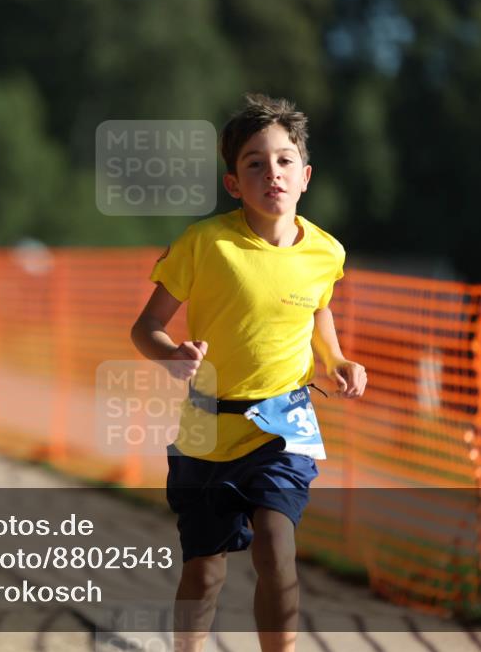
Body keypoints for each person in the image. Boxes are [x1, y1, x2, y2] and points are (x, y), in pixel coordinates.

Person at [130, 93, 368, 652]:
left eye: (284, 160)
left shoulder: (326, 253)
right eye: (255, 164)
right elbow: (146, 327)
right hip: (207, 425)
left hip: (285, 419)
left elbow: (318, 315)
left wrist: (337, 361)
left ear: (305, 176)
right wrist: (171, 354)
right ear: (234, 184)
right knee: (205, 572)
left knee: (276, 548)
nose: (272, 173)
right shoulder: (204, 244)